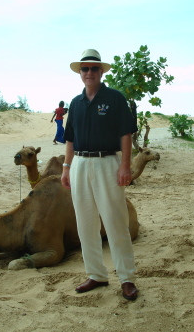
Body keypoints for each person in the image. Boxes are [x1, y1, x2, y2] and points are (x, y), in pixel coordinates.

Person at [61, 49, 138, 301]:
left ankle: (127, 278)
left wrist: (125, 165)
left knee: (116, 222)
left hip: (108, 163)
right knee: (85, 224)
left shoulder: (115, 98)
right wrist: (66, 167)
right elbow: (70, 138)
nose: (89, 72)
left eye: (94, 68)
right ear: (80, 73)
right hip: (80, 164)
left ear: (102, 71)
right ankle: (96, 275)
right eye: (85, 69)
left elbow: (125, 133)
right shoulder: (75, 103)